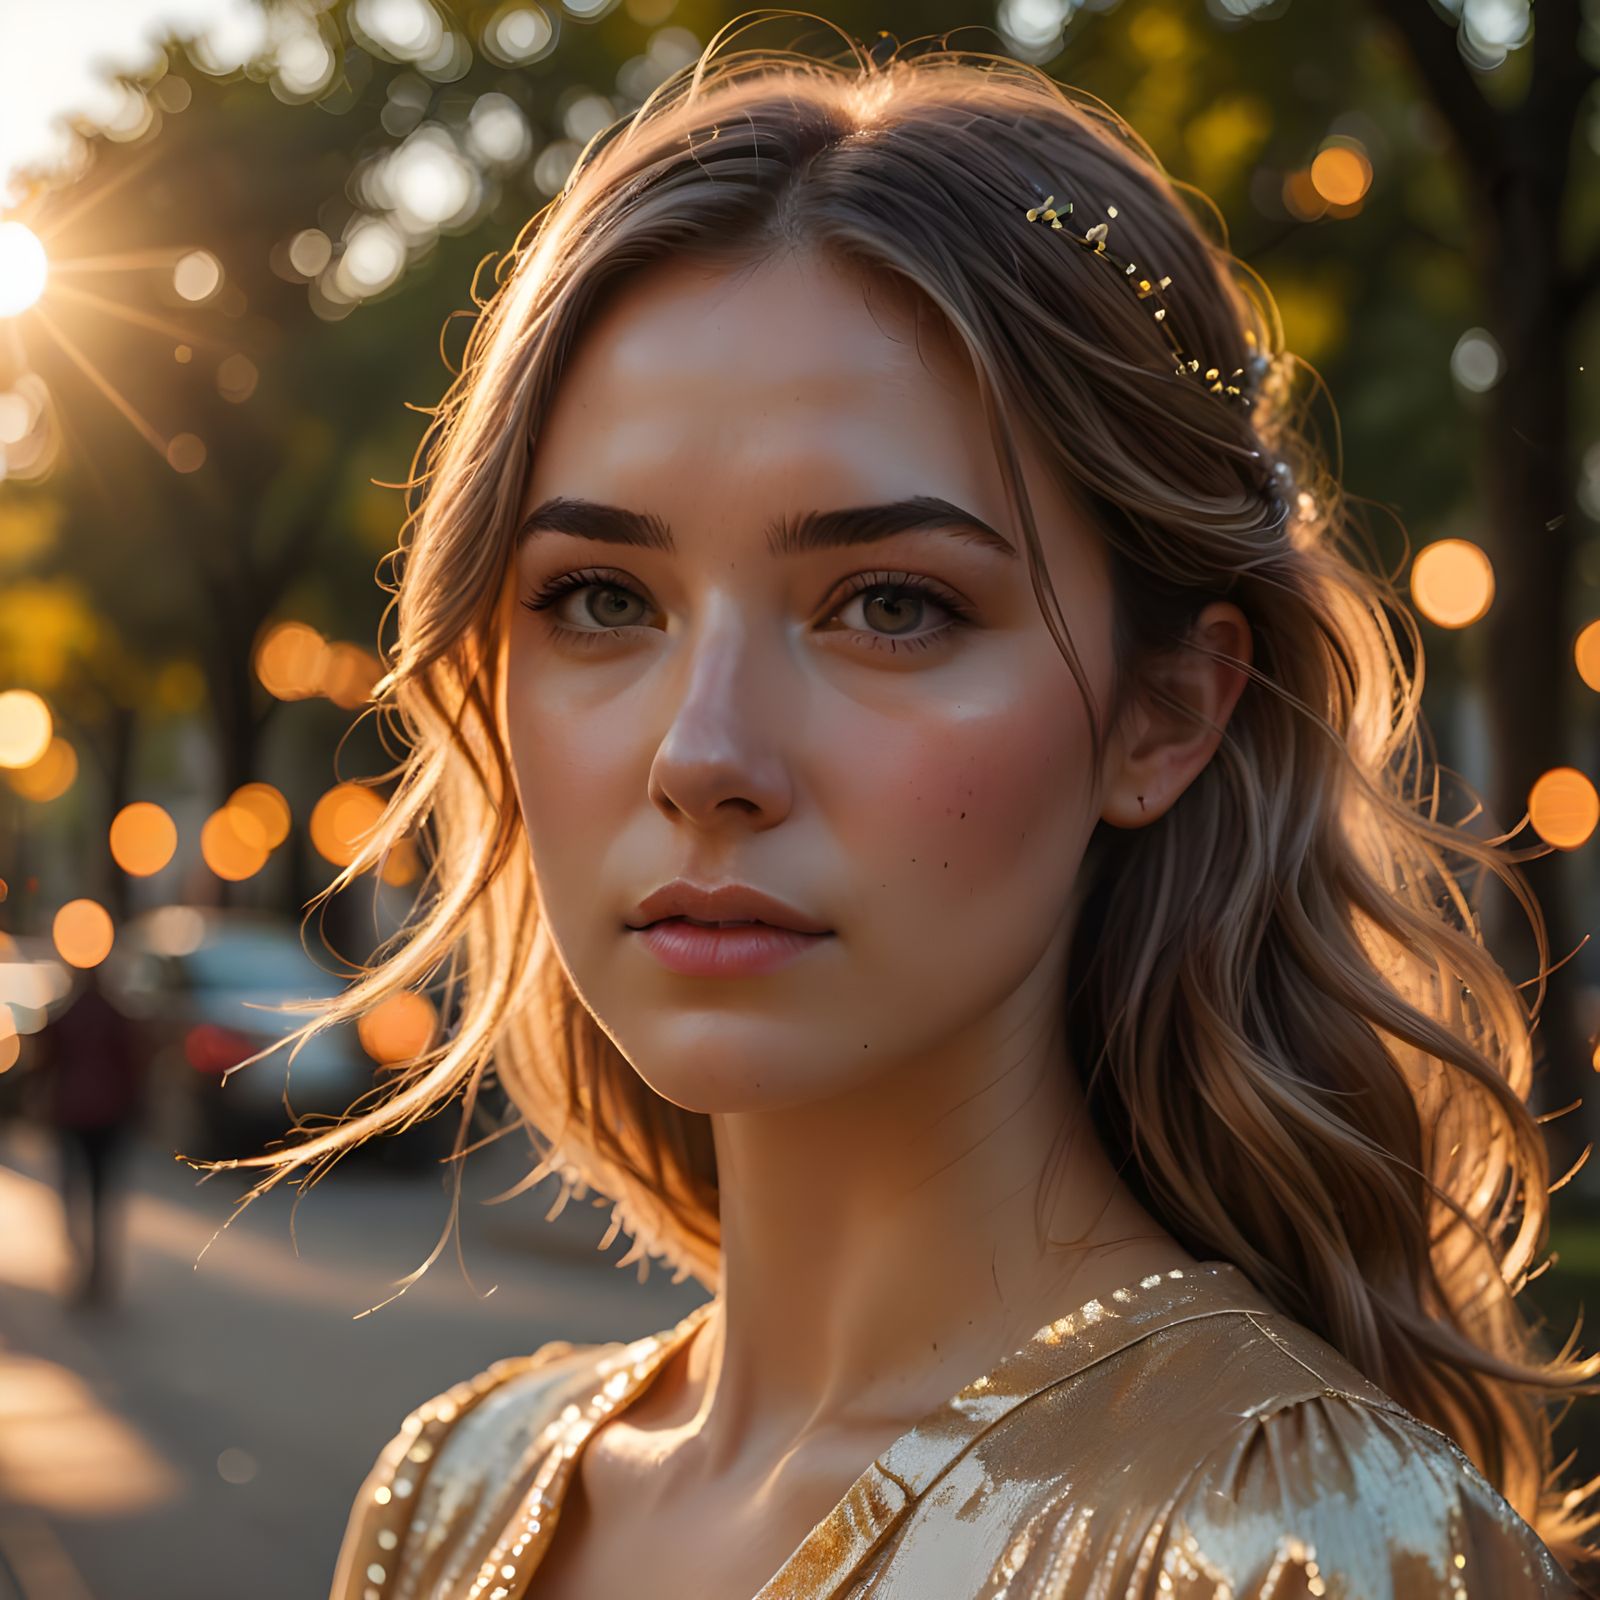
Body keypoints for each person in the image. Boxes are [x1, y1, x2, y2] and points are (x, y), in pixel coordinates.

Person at [179, 17, 1599, 1598]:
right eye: (597, 597)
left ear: (1168, 712)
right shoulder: (455, 1487)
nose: (702, 753)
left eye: (893, 606)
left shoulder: (1293, 1539)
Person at [36, 962, 146, 1309]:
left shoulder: (66, 1015)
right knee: (101, 1192)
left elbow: (45, 1061)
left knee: (73, 1188)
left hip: (73, 1113)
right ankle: (97, 1265)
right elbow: (134, 1066)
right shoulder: (117, 1016)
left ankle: (81, 1256)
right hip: (108, 1115)